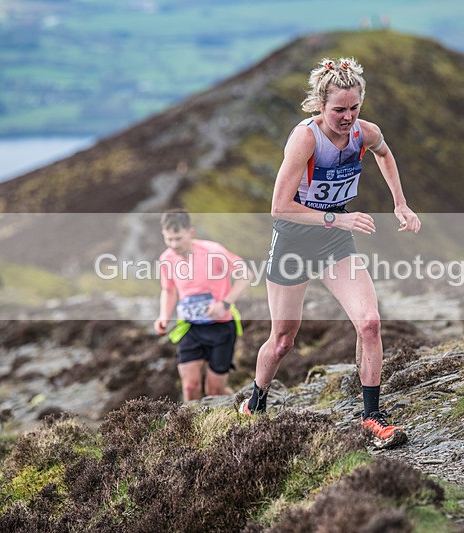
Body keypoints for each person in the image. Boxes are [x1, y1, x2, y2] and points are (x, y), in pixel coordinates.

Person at [239, 57, 421, 450]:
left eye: (354, 108)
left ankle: (372, 417)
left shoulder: (364, 132)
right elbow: (279, 207)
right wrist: (337, 220)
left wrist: (400, 204)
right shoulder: (305, 139)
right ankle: (256, 401)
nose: (347, 117)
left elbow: (385, 154)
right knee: (284, 340)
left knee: (370, 323)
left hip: (335, 241)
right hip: (293, 239)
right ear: (319, 106)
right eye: (339, 109)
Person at [153, 209, 252, 402]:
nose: (173, 245)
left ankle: (244, 408)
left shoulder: (213, 252)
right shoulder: (166, 259)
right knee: (190, 387)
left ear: (191, 232)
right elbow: (169, 290)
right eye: (169, 239)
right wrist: (163, 316)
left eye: (178, 239)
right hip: (190, 328)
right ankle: (191, 429)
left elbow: (246, 275)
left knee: (214, 390)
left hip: (221, 327)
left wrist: (224, 303)